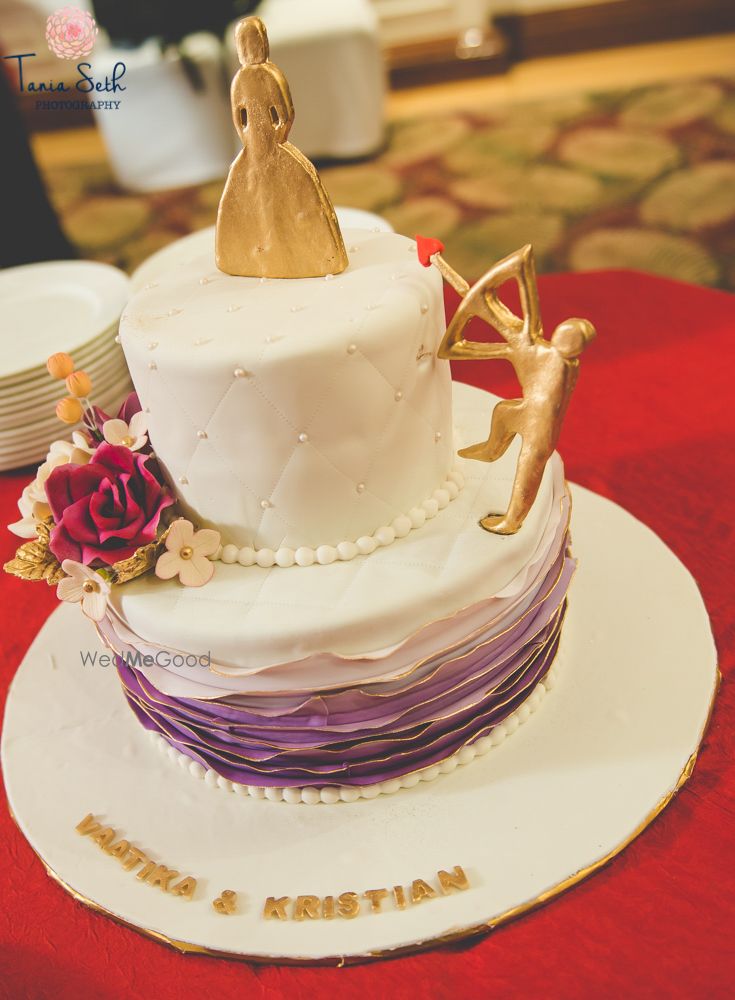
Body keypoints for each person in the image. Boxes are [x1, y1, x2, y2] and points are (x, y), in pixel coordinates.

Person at [437, 244, 596, 534]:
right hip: (528, 411)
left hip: (542, 427)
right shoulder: (546, 353)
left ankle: (512, 520)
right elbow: (497, 316)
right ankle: (490, 449)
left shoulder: (551, 359)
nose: (564, 337)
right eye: (565, 332)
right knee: (503, 411)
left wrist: (484, 304)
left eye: (572, 337)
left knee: (528, 468)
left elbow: (502, 323)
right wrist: (440, 264)